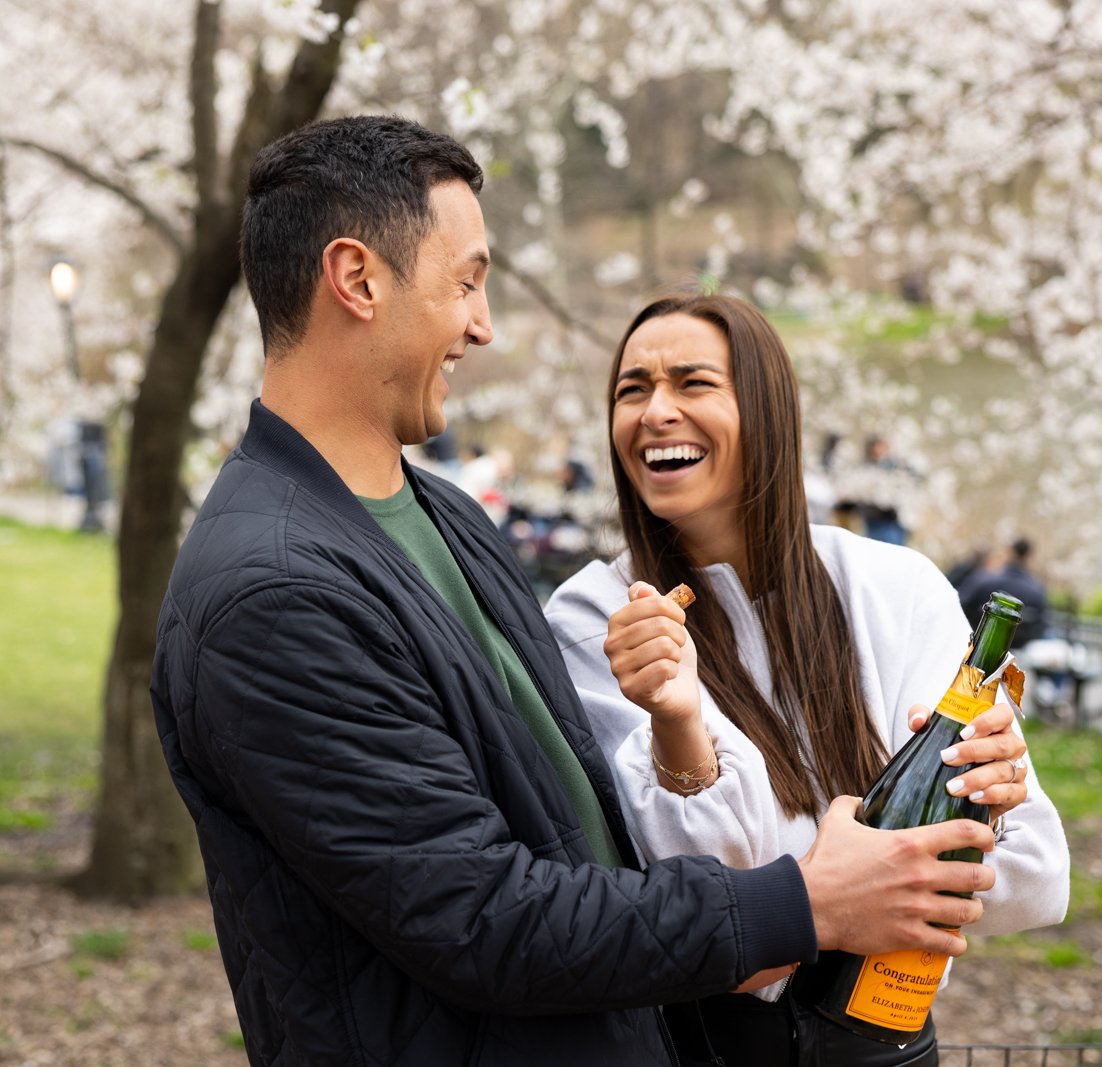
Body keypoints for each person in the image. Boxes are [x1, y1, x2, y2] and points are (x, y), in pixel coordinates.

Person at [151, 116, 1003, 1067]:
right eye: (466, 281)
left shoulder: (443, 516)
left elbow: (579, 833)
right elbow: (483, 916)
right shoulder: (274, 595)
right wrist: (805, 900)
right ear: (358, 279)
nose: (483, 325)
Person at [545, 294, 1069, 1066]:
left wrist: (991, 793)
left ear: (765, 407)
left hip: (887, 1041)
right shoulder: (598, 617)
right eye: (632, 389)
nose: (656, 411)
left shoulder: (895, 585)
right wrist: (679, 722)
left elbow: (1034, 878)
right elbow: (722, 927)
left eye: (692, 383)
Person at [955, 537, 1048, 648]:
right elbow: (1043, 624)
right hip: (1016, 653)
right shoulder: (1037, 590)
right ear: (1029, 556)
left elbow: (959, 604)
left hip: (978, 647)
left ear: (1010, 553)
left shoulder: (984, 579)